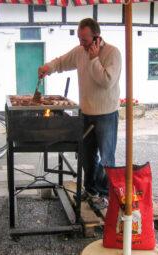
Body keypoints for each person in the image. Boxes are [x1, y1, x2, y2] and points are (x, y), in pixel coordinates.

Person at [38, 18, 121, 210]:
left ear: (97, 37)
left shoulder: (112, 53)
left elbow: (106, 81)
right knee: (86, 155)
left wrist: (94, 60)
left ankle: (103, 193)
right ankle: (90, 190)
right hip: (86, 112)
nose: (81, 44)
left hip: (106, 114)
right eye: (79, 39)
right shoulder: (80, 51)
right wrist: (47, 68)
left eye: (85, 40)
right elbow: (62, 62)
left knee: (106, 157)